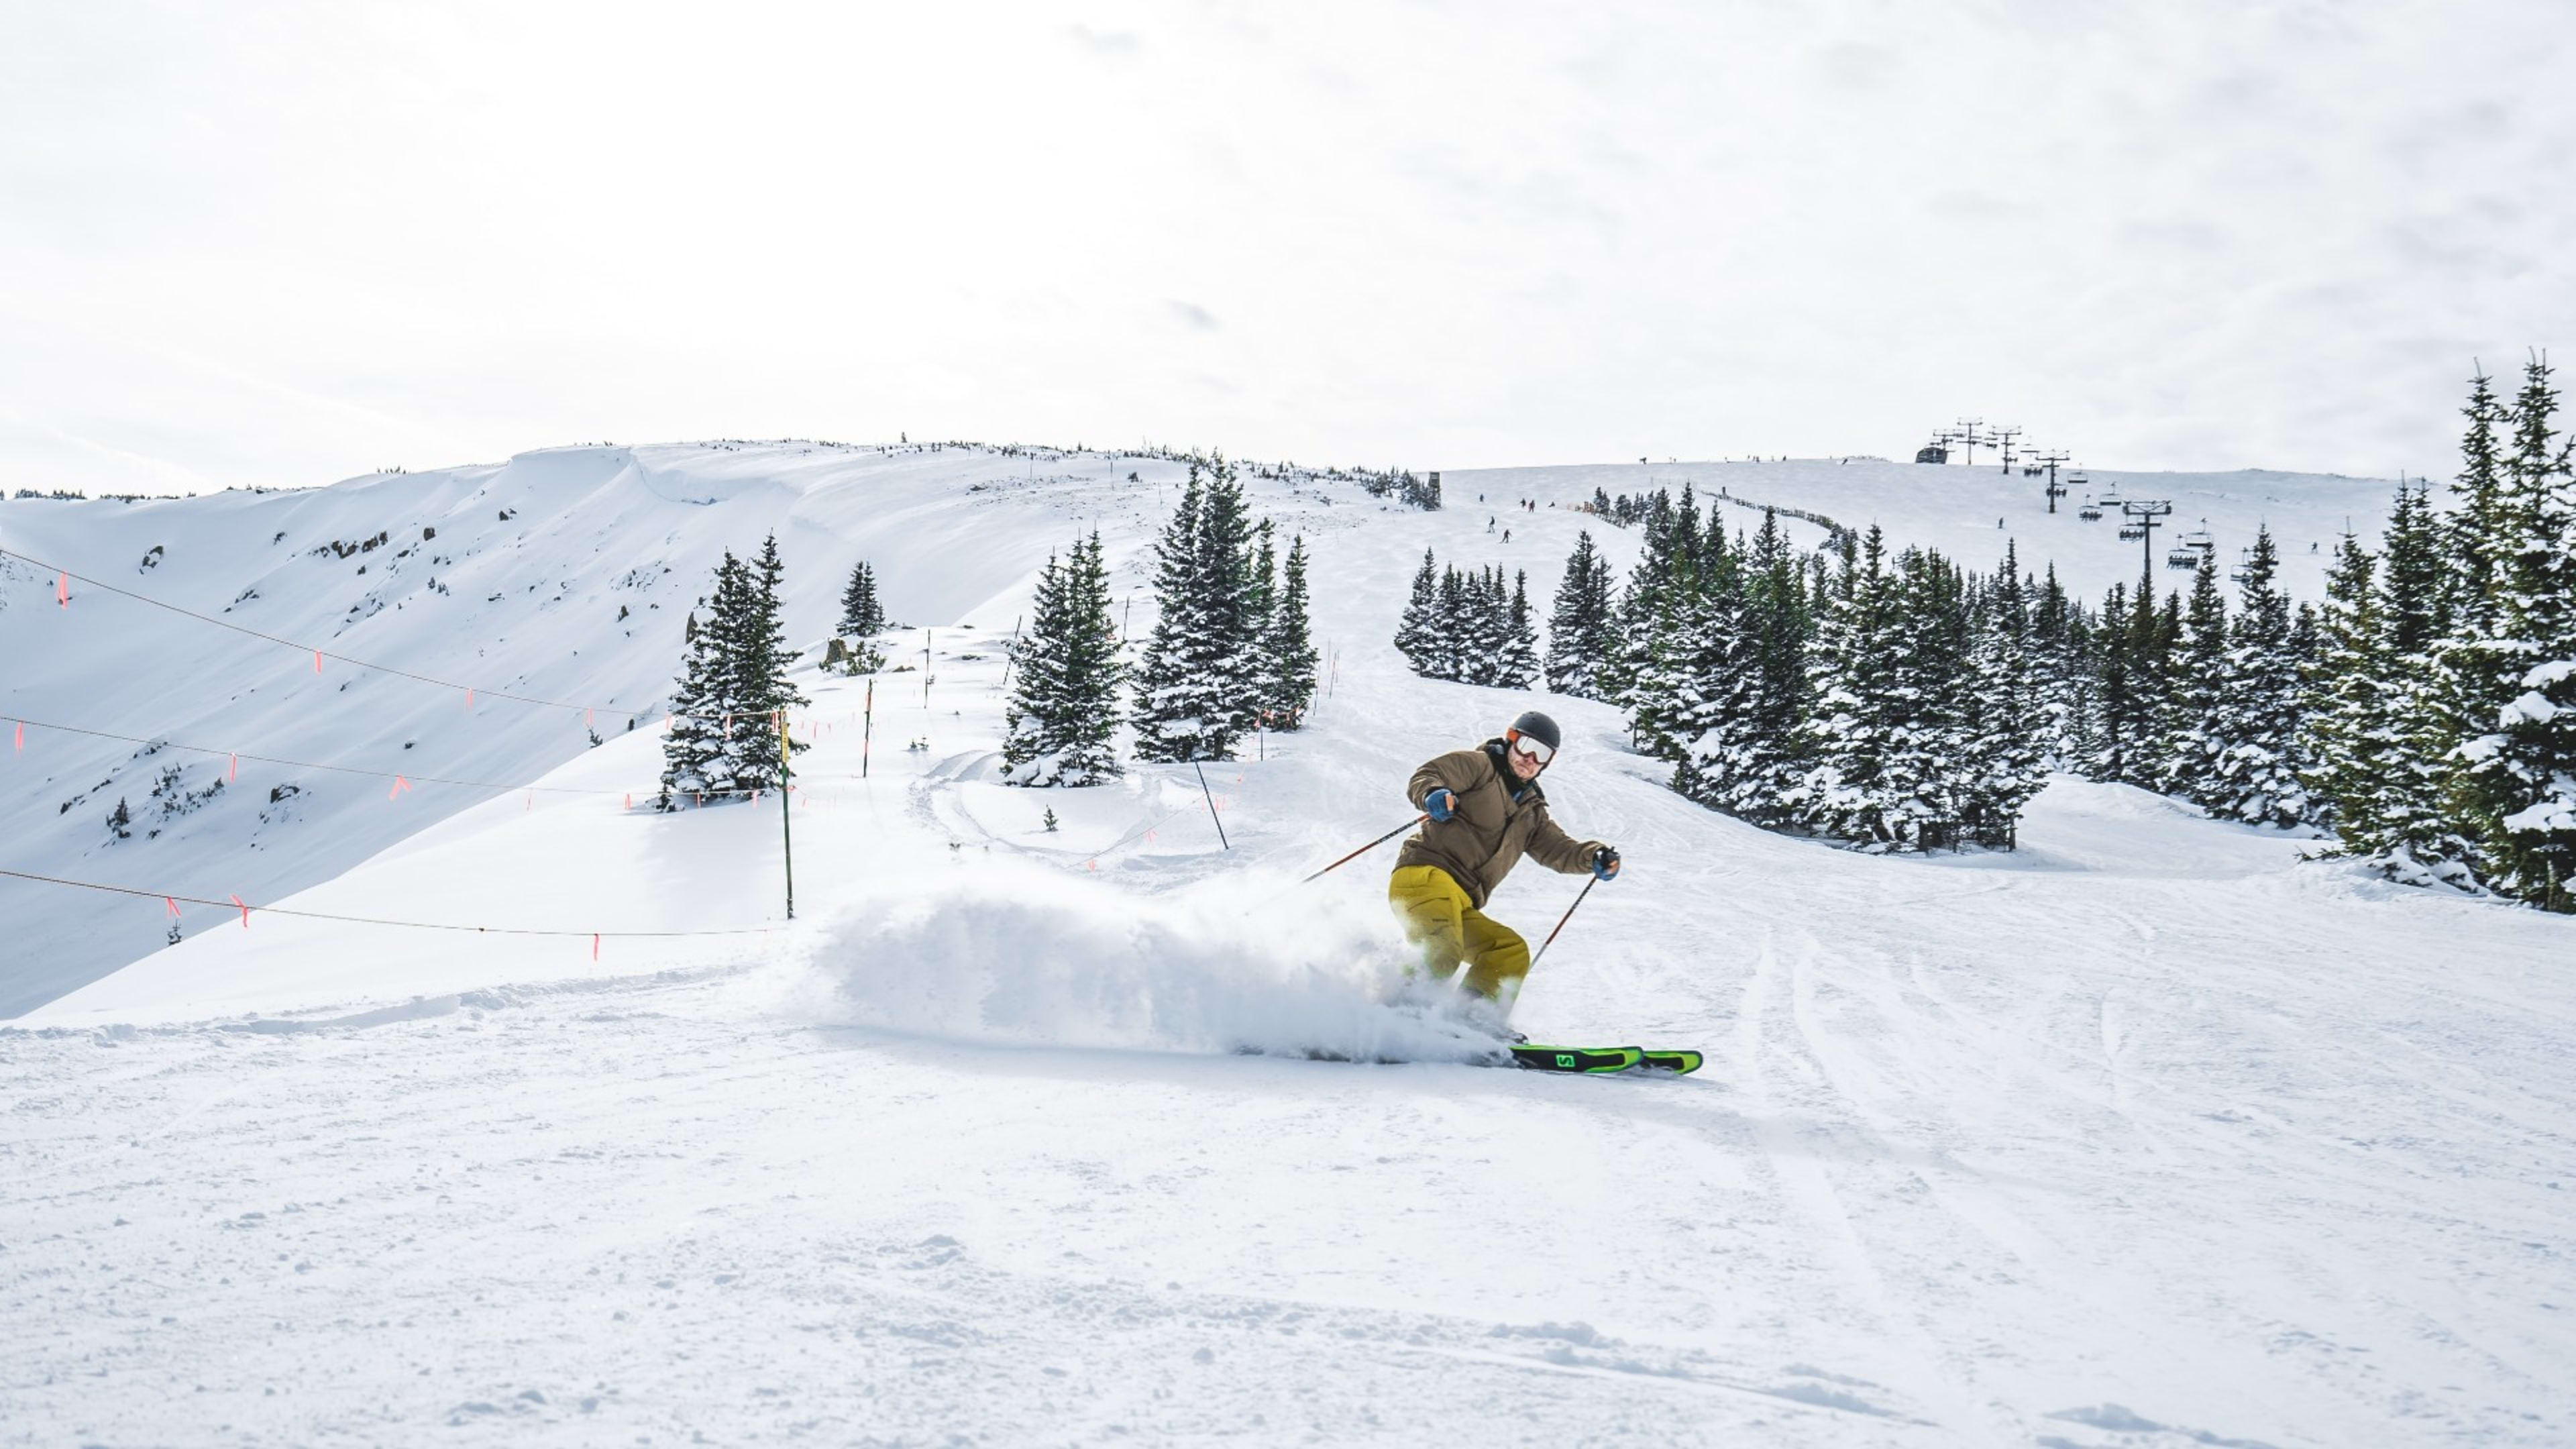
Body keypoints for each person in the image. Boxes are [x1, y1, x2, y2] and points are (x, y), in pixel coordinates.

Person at [1388, 710, 1619, 1013]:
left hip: (1461, 901)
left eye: (1542, 754)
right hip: (1425, 875)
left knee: (1508, 952)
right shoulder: (1480, 766)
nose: (1530, 759)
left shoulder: (1531, 812)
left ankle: (1471, 1021)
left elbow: (1560, 849)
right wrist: (1433, 793)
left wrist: (1594, 857)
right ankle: (1391, 1013)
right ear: (1511, 739)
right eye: (1526, 746)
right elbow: (1430, 775)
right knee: (1443, 951)